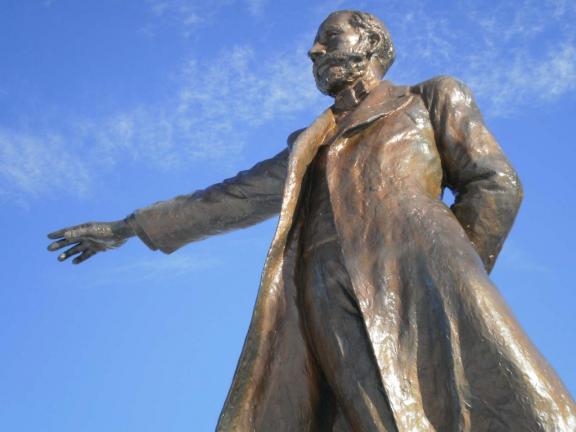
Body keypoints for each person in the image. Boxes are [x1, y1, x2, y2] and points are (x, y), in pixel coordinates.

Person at [48, 10, 576, 432]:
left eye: (330, 37)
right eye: (317, 43)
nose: (314, 50)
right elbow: (231, 198)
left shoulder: (429, 97)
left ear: (371, 42)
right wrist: (127, 228)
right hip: (325, 290)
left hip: (424, 271)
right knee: (375, 417)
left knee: (498, 401)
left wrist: (451, 264)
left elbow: (495, 184)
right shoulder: (309, 143)